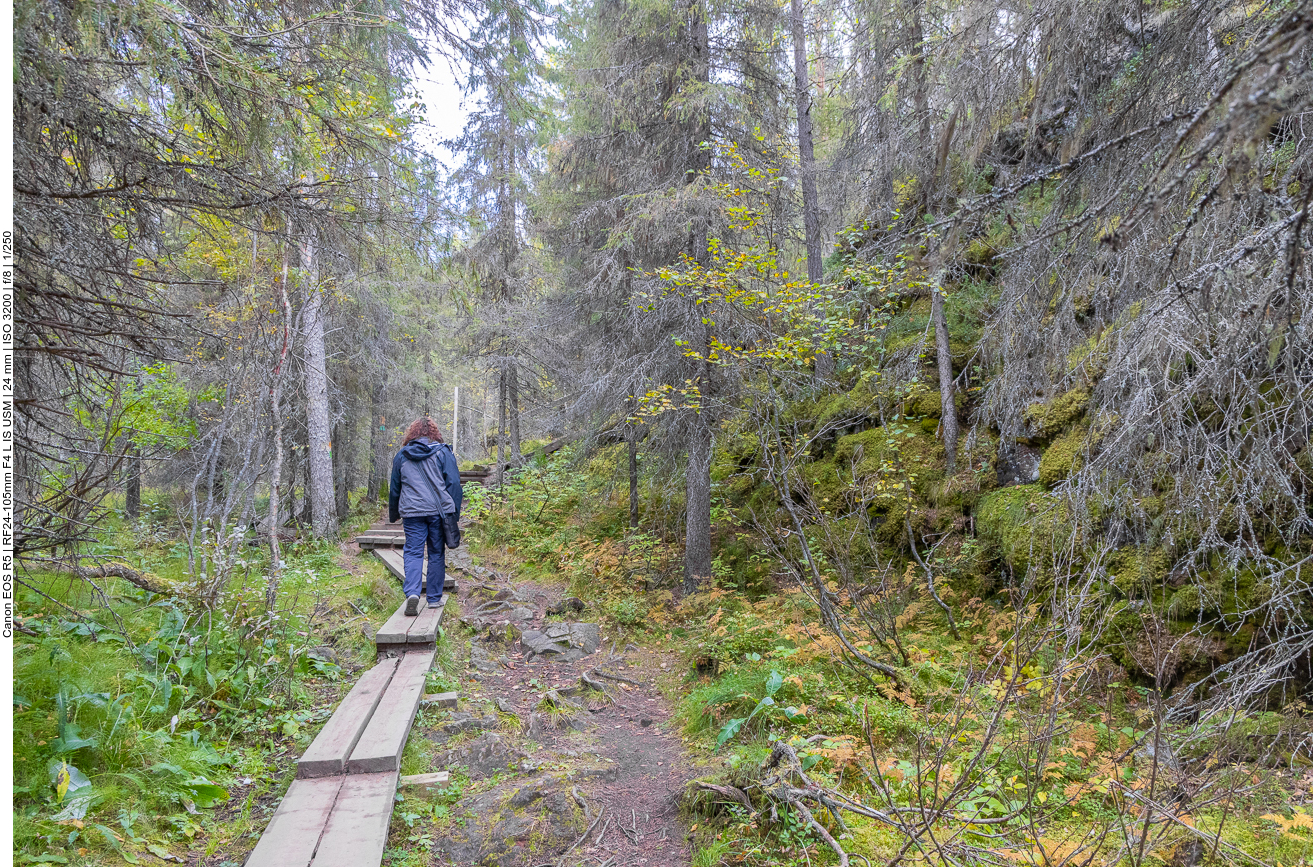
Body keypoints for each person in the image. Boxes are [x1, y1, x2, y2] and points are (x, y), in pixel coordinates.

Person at [387, 417, 463, 616]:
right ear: (434, 433)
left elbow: (395, 487)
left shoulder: (402, 455)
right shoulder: (443, 452)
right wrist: (454, 512)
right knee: (436, 552)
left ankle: (412, 593)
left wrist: (394, 513)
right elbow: (454, 483)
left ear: (412, 433)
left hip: (412, 513)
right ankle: (434, 599)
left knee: (413, 551)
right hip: (438, 512)